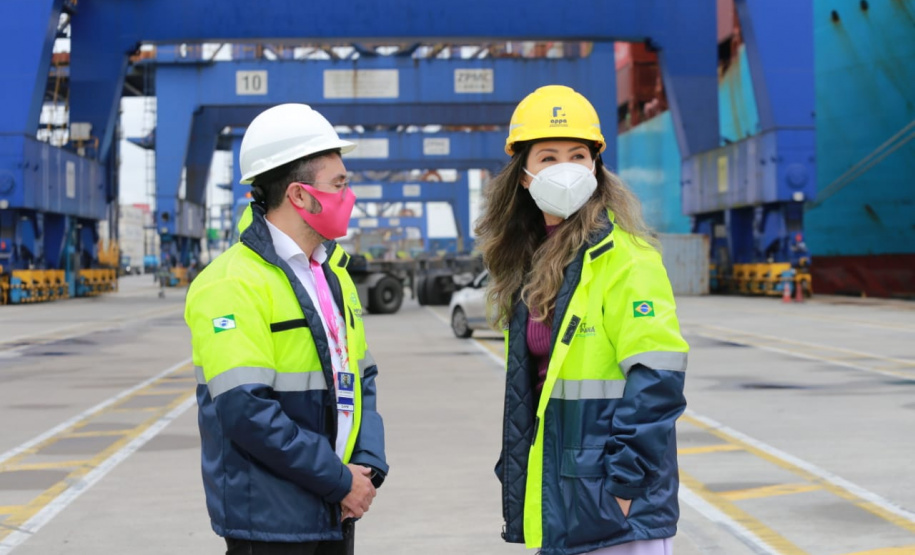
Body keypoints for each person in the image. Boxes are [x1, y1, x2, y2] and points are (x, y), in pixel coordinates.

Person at [475, 85, 688, 555]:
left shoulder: (627, 260)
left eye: (577, 154)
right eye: (548, 157)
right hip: (562, 494)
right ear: (524, 175)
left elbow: (658, 380)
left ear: (596, 167)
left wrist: (624, 486)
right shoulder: (529, 264)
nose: (565, 168)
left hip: (616, 507)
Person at [185, 103, 388, 555]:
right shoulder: (230, 284)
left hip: (336, 509)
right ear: (300, 196)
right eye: (339, 185)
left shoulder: (333, 273)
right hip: (272, 524)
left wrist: (367, 467)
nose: (348, 195)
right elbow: (247, 413)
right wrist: (339, 480)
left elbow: (362, 377)